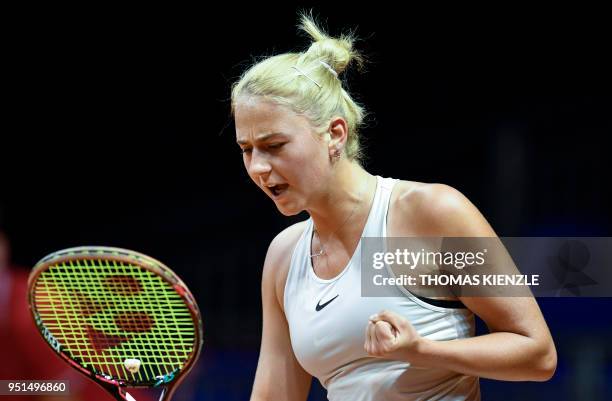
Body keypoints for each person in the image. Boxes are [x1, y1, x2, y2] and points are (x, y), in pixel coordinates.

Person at [231, 12, 557, 401]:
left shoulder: (430, 212)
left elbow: (537, 353)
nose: (258, 167)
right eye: (246, 150)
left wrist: (422, 351)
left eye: (274, 146)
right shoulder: (284, 257)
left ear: (335, 133)